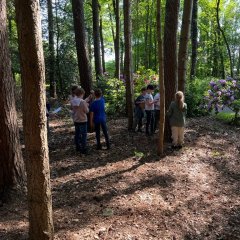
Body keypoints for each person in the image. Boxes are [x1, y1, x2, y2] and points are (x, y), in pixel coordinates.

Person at [72, 87, 89, 154]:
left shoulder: (73, 101)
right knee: (84, 135)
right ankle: (83, 149)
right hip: (83, 120)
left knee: (77, 134)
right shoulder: (83, 102)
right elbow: (87, 111)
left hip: (76, 120)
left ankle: (78, 147)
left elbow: (73, 109)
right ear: (81, 94)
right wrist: (87, 106)